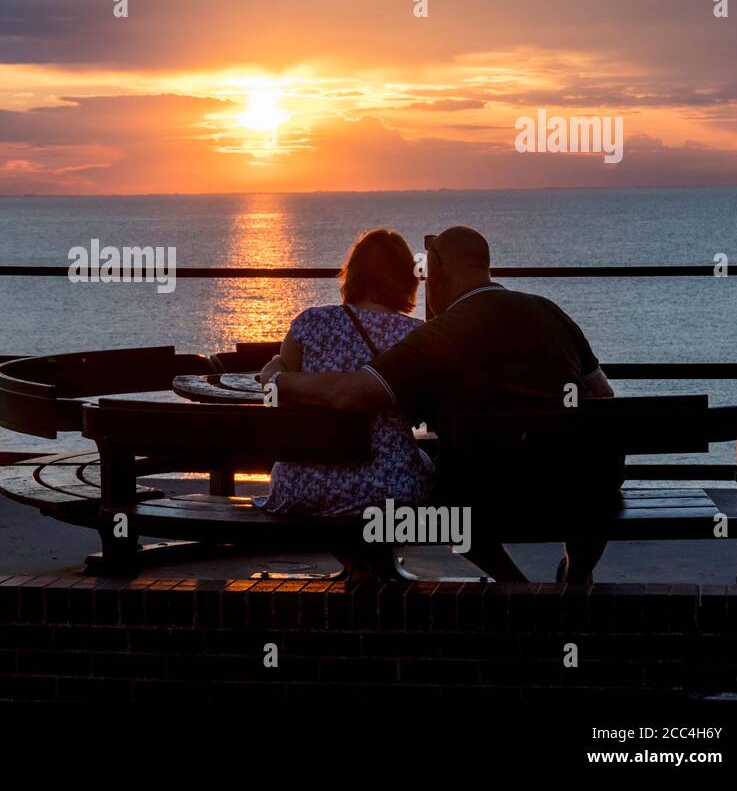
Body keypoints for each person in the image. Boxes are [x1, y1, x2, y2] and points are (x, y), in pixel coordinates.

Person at [263, 226, 618, 584]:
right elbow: (602, 399)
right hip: (574, 490)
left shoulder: (441, 334)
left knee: (449, 488)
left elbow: (351, 392)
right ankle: (577, 574)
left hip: (483, 497)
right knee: (589, 475)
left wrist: (277, 381)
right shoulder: (550, 312)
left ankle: (514, 585)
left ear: (436, 270)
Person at [253, 229, 434, 518]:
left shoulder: (309, 323)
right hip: (386, 490)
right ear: (406, 278)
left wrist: (273, 372)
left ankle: (358, 564)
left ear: (353, 275)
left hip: (301, 486)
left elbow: (278, 397)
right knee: (427, 464)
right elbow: (425, 408)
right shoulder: (416, 335)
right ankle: (371, 563)